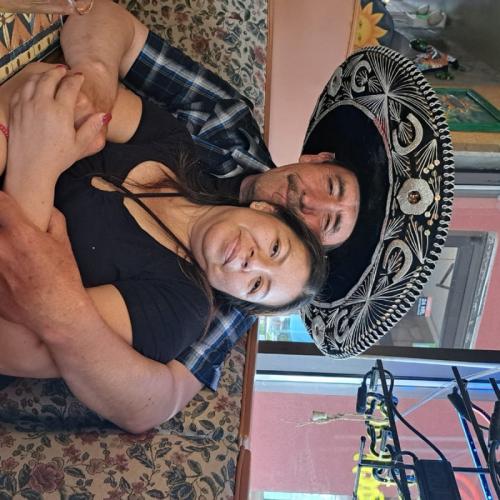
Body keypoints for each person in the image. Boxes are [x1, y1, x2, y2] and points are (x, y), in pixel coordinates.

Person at [0, 65, 326, 428]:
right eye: (276, 248)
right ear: (265, 209)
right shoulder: (174, 142)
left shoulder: (177, 311)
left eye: (257, 285)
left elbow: (14, 343)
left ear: (237, 297)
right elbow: (57, 93)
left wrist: (39, 165)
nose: (254, 262)